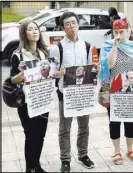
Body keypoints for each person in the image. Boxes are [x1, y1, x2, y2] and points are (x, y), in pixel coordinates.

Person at [49, 11, 95, 172]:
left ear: (78, 24)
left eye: (73, 23)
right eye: (67, 24)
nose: (71, 27)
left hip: (82, 93)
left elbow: (90, 69)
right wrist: (59, 73)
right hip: (65, 93)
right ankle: (65, 159)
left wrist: (96, 71)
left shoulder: (87, 46)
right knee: (64, 129)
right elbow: (52, 72)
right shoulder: (57, 48)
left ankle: (83, 155)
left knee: (84, 127)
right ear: (63, 28)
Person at [99, 17, 133, 165]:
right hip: (112, 88)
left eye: (122, 32)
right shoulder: (107, 46)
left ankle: (130, 148)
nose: (119, 34)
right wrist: (115, 46)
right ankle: (116, 150)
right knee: (115, 121)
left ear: (128, 31)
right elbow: (110, 65)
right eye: (116, 32)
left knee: (130, 120)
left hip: (130, 88)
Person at [10, 20, 51, 172]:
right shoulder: (18, 55)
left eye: (36, 29)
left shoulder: (43, 53)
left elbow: (48, 74)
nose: (34, 31)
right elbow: (13, 80)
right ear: (24, 34)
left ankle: (37, 165)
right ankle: (30, 168)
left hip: (43, 100)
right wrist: (23, 73)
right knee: (31, 136)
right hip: (27, 103)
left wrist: (58, 73)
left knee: (40, 136)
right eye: (30, 29)